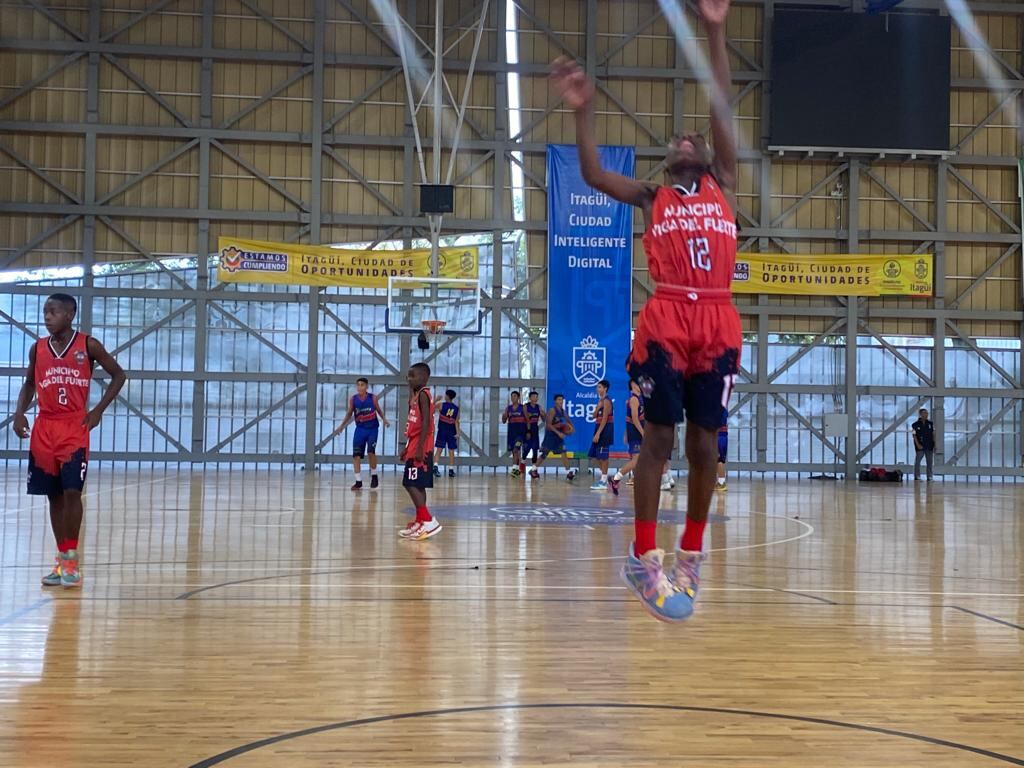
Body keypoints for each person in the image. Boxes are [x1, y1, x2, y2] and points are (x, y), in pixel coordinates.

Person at [552, 0, 740, 622]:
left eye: (693, 138)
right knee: (658, 438)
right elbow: (592, 171)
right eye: (676, 139)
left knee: (706, 444)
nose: (684, 138)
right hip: (665, 319)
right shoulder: (652, 194)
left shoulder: (725, 184)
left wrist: (714, 30)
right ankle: (641, 554)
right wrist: (584, 112)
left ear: (708, 157)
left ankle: (690, 551)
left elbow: (720, 101)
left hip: (715, 320)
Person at [11, 293, 127, 588]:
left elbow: (118, 375)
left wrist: (98, 410)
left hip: (73, 426)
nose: (47, 316)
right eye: (45, 311)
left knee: (73, 492)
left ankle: (72, 562)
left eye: (53, 311)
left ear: (70, 314)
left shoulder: (87, 344)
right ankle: (62, 561)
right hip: (45, 426)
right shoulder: (37, 349)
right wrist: (19, 413)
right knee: (54, 495)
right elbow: (28, 384)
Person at [398, 362, 441, 540]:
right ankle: (420, 521)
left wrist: (420, 447)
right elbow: (413, 422)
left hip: (421, 446)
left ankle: (428, 520)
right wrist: (407, 447)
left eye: (412, 376)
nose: (409, 379)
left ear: (424, 378)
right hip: (414, 443)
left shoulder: (424, 394)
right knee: (418, 484)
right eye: (408, 376)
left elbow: (426, 424)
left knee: (409, 483)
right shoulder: (417, 395)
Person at [330, 377, 390, 491]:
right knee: (356, 455)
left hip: (372, 429)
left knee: (371, 452)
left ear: (366, 386)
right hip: (360, 429)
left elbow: (379, 410)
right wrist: (341, 426)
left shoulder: (373, 398)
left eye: (362, 385)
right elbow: (349, 413)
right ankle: (358, 481)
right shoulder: (353, 400)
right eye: (358, 385)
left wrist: (384, 420)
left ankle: (374, 475)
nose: (359, 387)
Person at [610, 379, 645, 494]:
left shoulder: (640, 397)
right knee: (636, 459)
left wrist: (625, 433)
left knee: (636, 459)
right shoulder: (634, 399)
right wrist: (643, 433)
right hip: (636, 433)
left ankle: (636, 479)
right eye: (637, 383)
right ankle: (616, 478)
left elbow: (629, 418)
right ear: (633, 385)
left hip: (634, 432)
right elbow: (634, 419)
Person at [533, 394, 577, 480]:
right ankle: (533, 469)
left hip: (558, 436)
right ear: (555, 401)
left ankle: (568, 472)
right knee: (544, 454)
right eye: (559, 399)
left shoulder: (562, 411)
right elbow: (548, 425)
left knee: (563, 452)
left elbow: (568, 419)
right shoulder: (552, 411)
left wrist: (572, 428)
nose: (561, 401)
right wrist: (558, 433)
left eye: (562, 400)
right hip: (551, 435)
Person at [589, 380, 614, 491]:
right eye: (597, 387)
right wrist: (597, 407)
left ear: (605, 388)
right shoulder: (601, 401)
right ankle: (606, 477)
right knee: (594, 455)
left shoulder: (607, 401)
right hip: (598, 428)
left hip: (605, 430)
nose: (597, 389)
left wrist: (598, 433)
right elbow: (593, 416)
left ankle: (603, 481)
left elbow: (604, 419)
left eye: (599, 387)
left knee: (603, 457)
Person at [433, 389, 460, 478]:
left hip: (442, 430)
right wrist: (458, 433)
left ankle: (435, 466)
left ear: (447, 396)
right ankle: (451, 470)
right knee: (451, 451)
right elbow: (456, 421)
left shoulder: (441, 405)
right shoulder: (456, 408)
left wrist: (436, 399)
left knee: (439, 449)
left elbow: (430, 408)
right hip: (451, 431)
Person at [501, 390, 528, 477]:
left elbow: (528, 420)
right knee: (514, 451)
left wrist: (528, 431)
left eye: (515, 396)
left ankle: (515, 469)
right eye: (512, 396)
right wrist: (504, 416)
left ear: (518, 398)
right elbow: (504, 421)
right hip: (511, 432)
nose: (513, 398)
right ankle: (517, 468)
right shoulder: (508, 408)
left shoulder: (523, 407)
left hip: (520, 433)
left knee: (516, 449)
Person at [912, 407, 935, 481]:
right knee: (918, 461)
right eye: (924, 413)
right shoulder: (915, 425)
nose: (926, 415)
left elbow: (933, 434)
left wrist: (935, 444)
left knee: (929, 461)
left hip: (929, 445)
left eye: (927, 413)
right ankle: (917, 475)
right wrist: (917, 444)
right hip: (920, 445)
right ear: (920, 414)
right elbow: (914, 435)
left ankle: (929, 476)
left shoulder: (930, 424)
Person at [524, 391, 544, 475]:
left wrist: (543, 415)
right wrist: (528, 431)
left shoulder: (538, 407)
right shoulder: (526, 406)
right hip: (527, 428)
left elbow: (544, 419)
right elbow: (526, 419)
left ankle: (533, 469)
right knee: (526, 449)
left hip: (535, 429)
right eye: (534, 396)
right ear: (530, 398)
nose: (535, 398)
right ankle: (522, 463)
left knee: (535, 450)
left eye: (536, 396)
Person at [716, 406, 729, 491]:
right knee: (719, 459)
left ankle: (721, 482)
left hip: (719, 435)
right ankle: (719, 481)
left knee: (719, 460)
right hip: (723, 435)